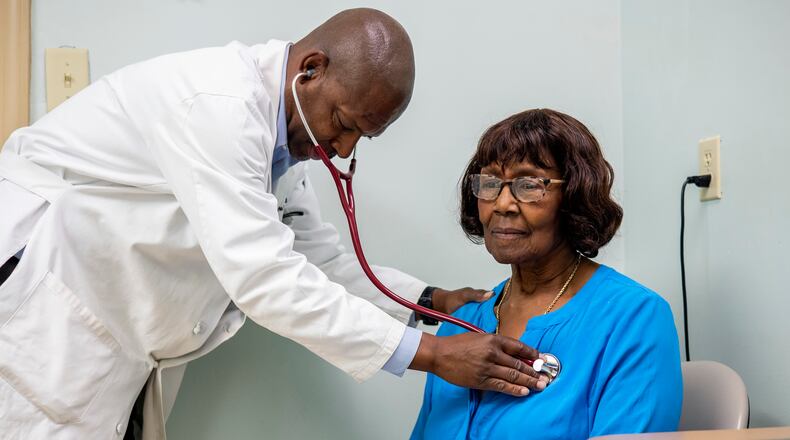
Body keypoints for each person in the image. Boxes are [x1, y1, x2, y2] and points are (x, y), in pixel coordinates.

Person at [0, 9, 548, 440]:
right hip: (43, 311)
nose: (343, 147)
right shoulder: (219, 107)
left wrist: (432, 301)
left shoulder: (280, 146)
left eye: (364, 137)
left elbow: (320, 263)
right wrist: (431, 355)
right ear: (311, 69)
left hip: (106, 337)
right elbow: (264, 276)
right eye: (344, 123)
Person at [411, 109, 683, 440]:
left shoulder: (633, 318)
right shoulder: (461, 323)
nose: (503, 204)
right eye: (490, 183)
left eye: (529, 185)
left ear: (574, 195)